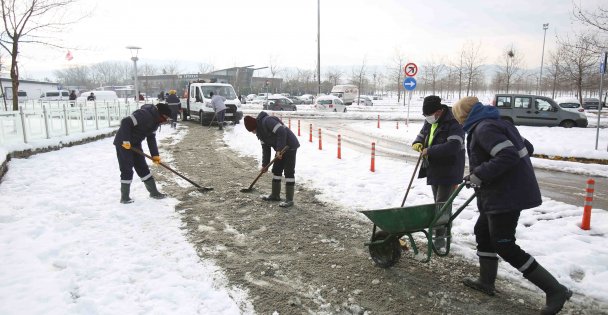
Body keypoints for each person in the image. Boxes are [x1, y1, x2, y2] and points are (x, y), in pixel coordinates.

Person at [452, 96, 572, 315]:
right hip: (499, 193)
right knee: (482, 232)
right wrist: (484, 173)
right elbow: (527, 147)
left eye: (458, 117)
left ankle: (555, 290)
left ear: (464, 115)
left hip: (505, 196)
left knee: (505, 245)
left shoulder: (484, 128)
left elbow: (508, 155)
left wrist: (480, 173)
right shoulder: (498, 122)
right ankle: (486, 281)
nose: (459, 122)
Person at [411, 95, 465, 251]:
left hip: (450, 169)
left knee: (442, 204)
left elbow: (453, 146)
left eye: (429, 115)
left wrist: (430, 150)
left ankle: (440, 238)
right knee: (438, 203)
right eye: (425, 116)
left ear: (439, 111)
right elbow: (422, 134)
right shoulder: (430, 119)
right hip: (434, 168)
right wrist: (418, 143)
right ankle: (442, 233)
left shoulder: (454, 122)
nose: (427, 118)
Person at [113, 103, 172, 204]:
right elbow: (126, 122)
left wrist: (155, 155)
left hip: (135, 144)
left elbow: (151, 139)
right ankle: (125, 197)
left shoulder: (155, 122)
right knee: (127, 169)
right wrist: (126, 140)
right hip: (123, 143)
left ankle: (154, 192)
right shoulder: (144, 115)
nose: (165, 120)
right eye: (165, 117)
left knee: (142, 167)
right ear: (161, 114)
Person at [244, 112, 300, 207]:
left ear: (255, 126)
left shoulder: (267, 121)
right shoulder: (260, 133)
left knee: (288, 172)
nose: (253, 132)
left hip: (289, 145)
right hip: (280, 148)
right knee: (276, 170)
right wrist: (264, 165)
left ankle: (289, 199)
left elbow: (282, 131)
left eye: (253, 130)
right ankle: (275, 195)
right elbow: (265, 149)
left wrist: (279, 149)